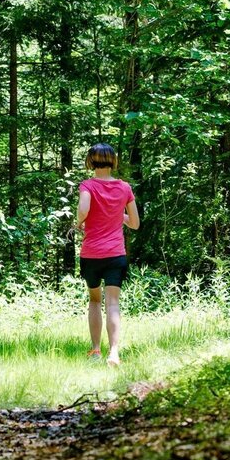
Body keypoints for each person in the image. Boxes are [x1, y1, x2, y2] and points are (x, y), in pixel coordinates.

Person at [73, 143, 140, 367]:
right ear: (113, 161)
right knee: (113, 303)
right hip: (115, 254)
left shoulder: (88, 185)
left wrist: (79, 222)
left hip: (91, 254)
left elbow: (83, 209)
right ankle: (114, 353)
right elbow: (135, 224)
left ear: (90, 162)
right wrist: (118, 215)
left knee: (94, 301)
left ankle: (95, 350)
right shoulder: (125, 188)